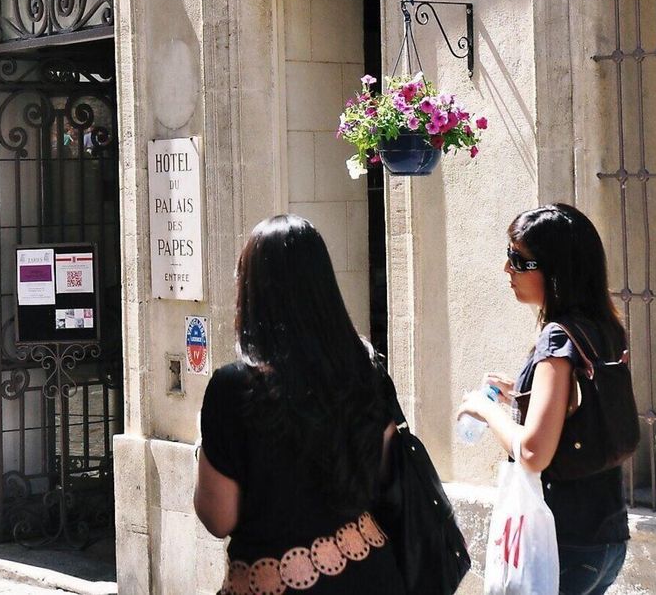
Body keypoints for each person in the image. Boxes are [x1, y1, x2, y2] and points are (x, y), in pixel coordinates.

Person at [194, 215, 405, 595]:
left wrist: (205, 451)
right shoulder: (366, 369)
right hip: (373, 572)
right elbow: (385, 472)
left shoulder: (234, 387)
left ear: (250, 290)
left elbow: (218, 518)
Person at [457, 203, 630, 595]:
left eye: (519, 260)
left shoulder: (558, 337)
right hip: (605, 537)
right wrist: (519, 395)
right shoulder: (603, 328)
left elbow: (534, 452)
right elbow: (577, 414)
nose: (508, 270)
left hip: (559, 541)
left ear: (556, 271)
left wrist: (485, 408)